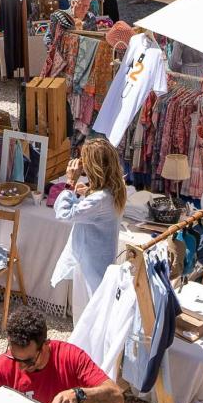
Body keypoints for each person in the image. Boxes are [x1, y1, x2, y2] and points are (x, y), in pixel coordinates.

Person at [0, 308, 121, 403]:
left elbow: (116, 397)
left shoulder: (70, 357)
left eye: (28, 361)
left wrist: (78, 395)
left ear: (45, 344)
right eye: (15, 358)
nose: (21, 367)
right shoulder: (1, 369)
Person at [53, 136, 126, 318]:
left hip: (89, 267)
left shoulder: (99, 200)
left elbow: (63, 214)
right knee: (97, 313)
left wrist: (70, 183)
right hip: (101, 262)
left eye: (85, 161)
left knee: (87, 316)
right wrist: (88, 191)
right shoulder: (117, 189)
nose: (82, 165)